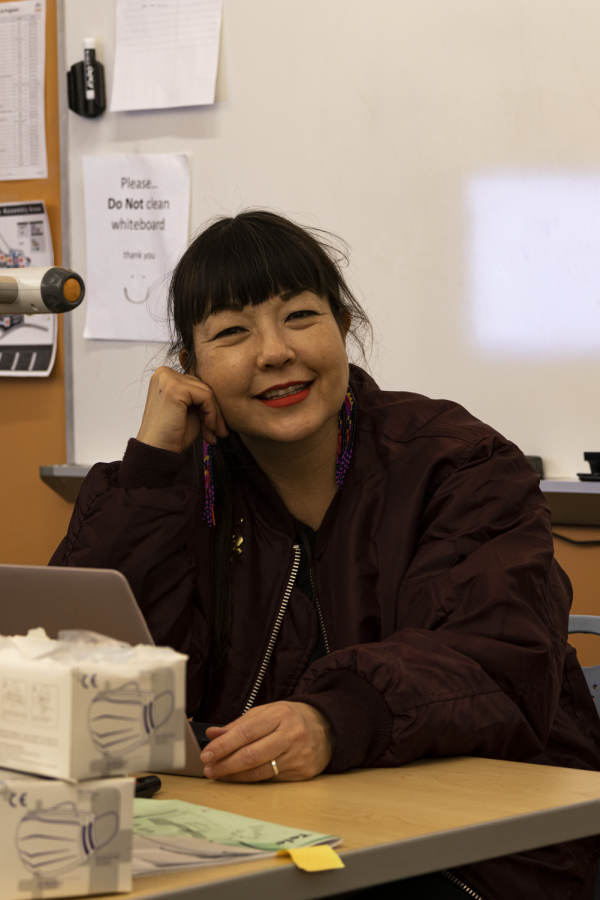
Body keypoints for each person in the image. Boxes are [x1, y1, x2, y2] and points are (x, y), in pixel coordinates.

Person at [51, 210, 600, 900]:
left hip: (469, 851)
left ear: (344, 326)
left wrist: (335, 719)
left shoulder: (457, 463)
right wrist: (153, 473)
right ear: (189, 369)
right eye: (231, 333)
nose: (275, 352)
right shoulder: (169, 485)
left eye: (300, 316)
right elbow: (82, 676)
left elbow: (495, 656)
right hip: (242, 838)